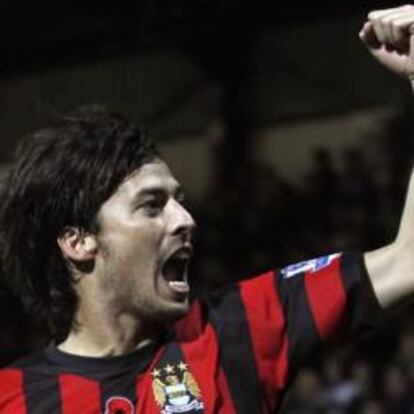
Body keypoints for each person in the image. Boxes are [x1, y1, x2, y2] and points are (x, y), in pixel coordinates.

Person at [1, 5, 414, 414]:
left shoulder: (239, 330)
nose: (186, 220)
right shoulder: (11, 398)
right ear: (79, 240)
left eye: (178, 201)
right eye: (152, 206)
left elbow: (407, 261)